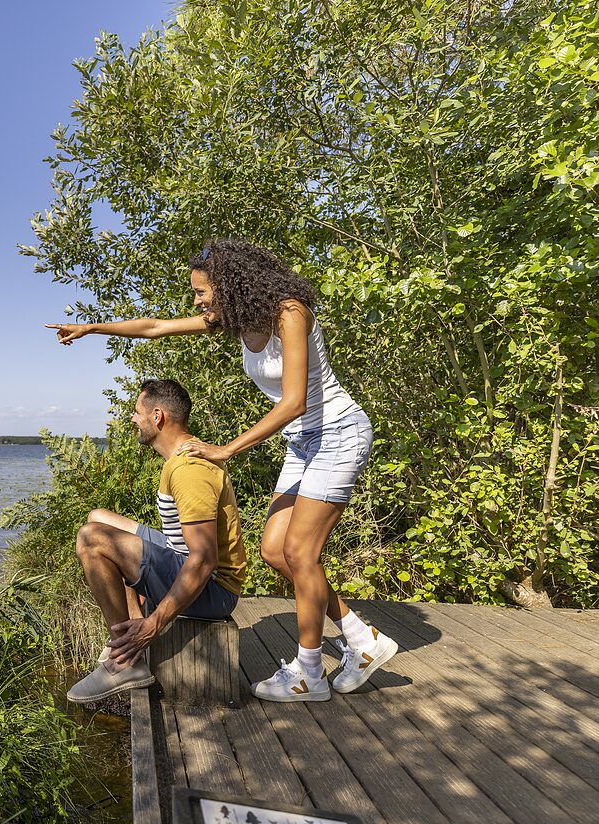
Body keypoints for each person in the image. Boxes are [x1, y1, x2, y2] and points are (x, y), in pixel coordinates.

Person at [49, 238, 397, 702]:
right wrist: (94, 327)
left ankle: (309, 673)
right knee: (276, 552)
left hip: (337, 432)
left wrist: (227, 449)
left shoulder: (289, 313)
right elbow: (155, 327)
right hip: (303, 440)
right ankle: (361, 638)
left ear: (230, 285)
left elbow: (294, 401)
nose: (196, 301)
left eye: (201, 291)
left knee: (300, 552)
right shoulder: (234, 322)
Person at [66, 378, 246, 704]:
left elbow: (204, 560)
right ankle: (129, 624)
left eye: (137, 412)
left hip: (214, 591)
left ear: (158, 416)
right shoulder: (180, 457)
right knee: (99, 519)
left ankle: (124, 660)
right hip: (182, 557)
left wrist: (154, 624)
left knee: (91, 539)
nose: (133, 419)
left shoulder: (190, 469)